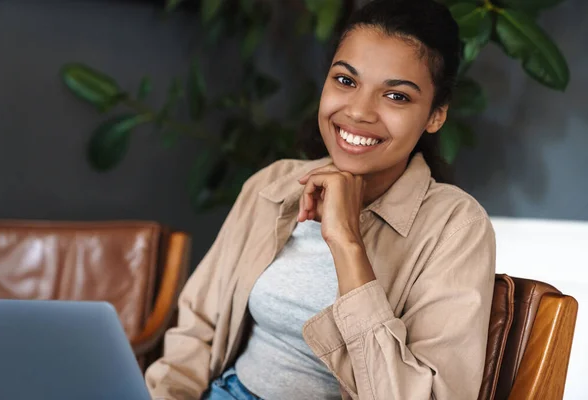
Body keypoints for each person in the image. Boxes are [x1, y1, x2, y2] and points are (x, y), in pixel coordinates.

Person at [145, 0, 496, 399]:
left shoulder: (456, 227)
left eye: (396, 96)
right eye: (346, 81)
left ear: (436, 114)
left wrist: (347, 242)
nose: (359, 112)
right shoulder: (276, 184)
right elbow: (197, 329)